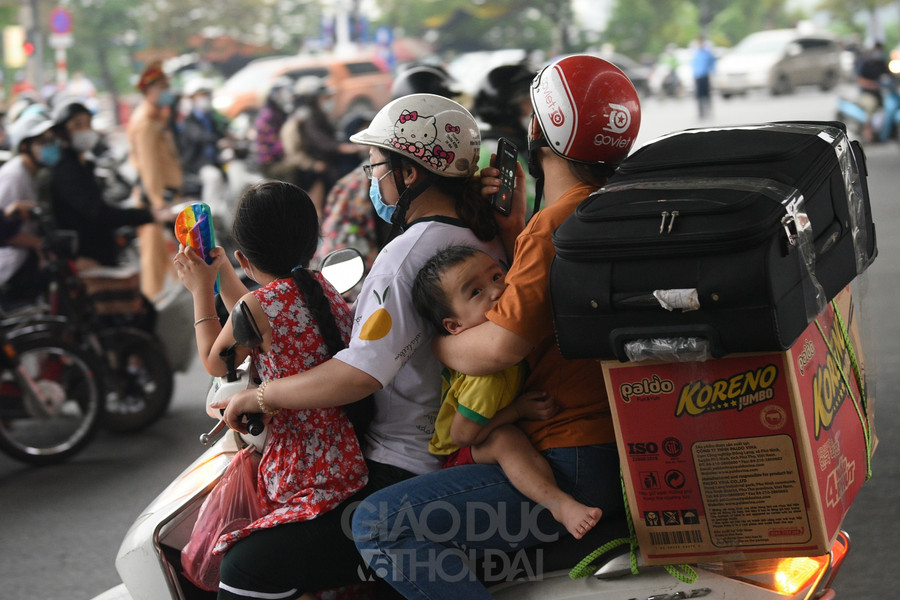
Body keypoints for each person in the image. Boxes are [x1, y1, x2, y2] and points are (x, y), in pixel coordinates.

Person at [351, 54, 641, 598]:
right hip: (610, 439)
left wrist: (433, 340)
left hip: (569, 454)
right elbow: (544, 307)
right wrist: (514, 231)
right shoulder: (603, 208)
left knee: (379, 525)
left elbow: (500, 346)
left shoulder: (554, 226)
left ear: (541, 128)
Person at [208, 93, 506, 600]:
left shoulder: (406, 255)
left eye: (375, 168)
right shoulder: (486, 235)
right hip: (449, 443)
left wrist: (258, 398)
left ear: (409, 174)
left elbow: (359, 373)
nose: (372, 181)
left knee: (247, 568)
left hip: (401, 463)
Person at [173, 180, 369, 598]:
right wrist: (223, 270)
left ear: (246, 256)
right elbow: (260, 315)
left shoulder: (258, 307)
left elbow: (214, 358)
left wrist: (198, 293)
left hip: (297, 470)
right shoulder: (321, 287)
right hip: (343, 457)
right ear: (313, 243)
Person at [412, 244, 603, 538]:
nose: (496, 291)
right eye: (475, 292)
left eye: (497, 276)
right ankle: (560, 505)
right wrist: (517, 411)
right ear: (454, 325)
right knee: (506, 439)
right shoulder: (487, 377)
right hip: (460, 452)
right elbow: (461, 435)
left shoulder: (506, 340)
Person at [49, 98, 159, 268]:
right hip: (87, 255)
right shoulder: (66, 170)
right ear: (63, 132)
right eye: (78, 125)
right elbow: (98, 213)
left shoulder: (85, 163)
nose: (86, 130)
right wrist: (147, 215)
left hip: (101, 248)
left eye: (88, 123)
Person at [126, 60, 183, 300]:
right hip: (155, 199)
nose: (168, 90)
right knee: (154, 259)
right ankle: (152, 306)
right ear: (149, 91)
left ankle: (167, 302)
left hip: (164, 195)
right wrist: (159, 204)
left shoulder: (157, 117)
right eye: (162, 86)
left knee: (165, 257)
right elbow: (149, 167)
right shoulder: (146, 122)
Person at [0, 110, 59, 304]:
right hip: (12, 267)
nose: (50, 147)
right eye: (42, 142)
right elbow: (6, 230)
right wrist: (40, 244)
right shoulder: (13, 176)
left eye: (51, 140)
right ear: (25, 146)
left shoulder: (32, 174)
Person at [279, 75, 358, 214]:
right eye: (323, 98)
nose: (327, 102)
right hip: (311, 168)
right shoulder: (307, 119)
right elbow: (321, 142)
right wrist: (342, 148)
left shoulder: (318, 116)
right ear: (312, 100)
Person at [471, 62, 538, 219]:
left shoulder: (516, 146)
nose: (534, 109)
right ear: (508, 108)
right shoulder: (495, 150)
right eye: (528, 101)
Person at [177, 77, 230, 209]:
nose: (204, 98)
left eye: (206, 94)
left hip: (216, 161)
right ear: (192, 99)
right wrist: (218, 141)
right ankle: (211, 214)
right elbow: (199, 136)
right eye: (201, 95)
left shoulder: (212, 117)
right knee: (214, 177)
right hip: (197, 165)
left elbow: (222, 131)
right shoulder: (189, 121)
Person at [253, 77, 292, 179]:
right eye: (282, 92)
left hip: (278, 157)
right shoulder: (268, 116)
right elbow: (270, 146)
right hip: (270, 163)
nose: (287, 95)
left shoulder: (279, 112)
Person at [855, 41, 892, 141]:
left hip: (882, 94)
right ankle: (867, 130)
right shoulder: (864, 62)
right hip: (867, 94)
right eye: (877, 50)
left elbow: (890, 75)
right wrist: (873, 85)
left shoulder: (882, 63)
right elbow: (860, 80)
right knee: (870, 106)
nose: (878, 52)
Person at [692, 36, 716, 119]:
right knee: (699, 95)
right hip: (697, 77)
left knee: (706, 94)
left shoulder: (707, 53)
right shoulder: (695, 53)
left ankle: (708, 110)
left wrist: (713, 72)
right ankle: (700, 112)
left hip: (705, 76)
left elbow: (712, 63)